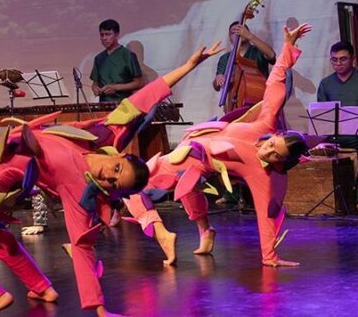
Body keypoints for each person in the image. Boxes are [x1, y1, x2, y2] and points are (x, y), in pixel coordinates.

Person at [0, 40, 222, 317]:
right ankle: (41, 287)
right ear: (120, 157)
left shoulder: (78, 188)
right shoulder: (102, 136)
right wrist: (189, 65)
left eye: (113, 185)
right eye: (115, 170)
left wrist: (99, 308)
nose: (107, 177)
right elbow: (143, 99)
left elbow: (82, 248)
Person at [125, 23, 312, 266]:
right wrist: (288, 46)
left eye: (276, 155)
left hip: (191, 158)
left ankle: (163, 235)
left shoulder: (261, 174)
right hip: (193, 142)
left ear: (282, 162)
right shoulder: (264, 125)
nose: (268, 151)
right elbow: (275, 84)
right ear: (274, 136)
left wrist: (269, 256)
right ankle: (206, 232)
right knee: (187, 188)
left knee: (132, 185)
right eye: (272, 144)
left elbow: (266, 216)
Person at [317, 40, 358, 205]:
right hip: (336, 134)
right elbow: (322, 114)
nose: (338, 63)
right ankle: (330, 200)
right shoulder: (326, 83)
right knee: (314, 146)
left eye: (343, 59)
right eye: (334, 60)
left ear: (353, 59)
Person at [89, 19, 144, 103]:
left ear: (117, 35)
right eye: (102, 35)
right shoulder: (98, 58)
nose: (104, 38)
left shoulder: (127, 55)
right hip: (104, 105)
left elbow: (139, 83)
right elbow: (95, 83)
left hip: (124, 104)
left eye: (108, 34)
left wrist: (116, 87)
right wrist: (96, 89)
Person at [213, 21, 276, 92]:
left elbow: (271, 55)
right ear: (230, 39)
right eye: (233, 32)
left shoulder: (259, 50)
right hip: (234, 98)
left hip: (259, 94)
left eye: (240, 30)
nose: (237, 33)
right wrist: (218, 79)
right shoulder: (225, 58)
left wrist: (250, 36)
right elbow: (217, 86)